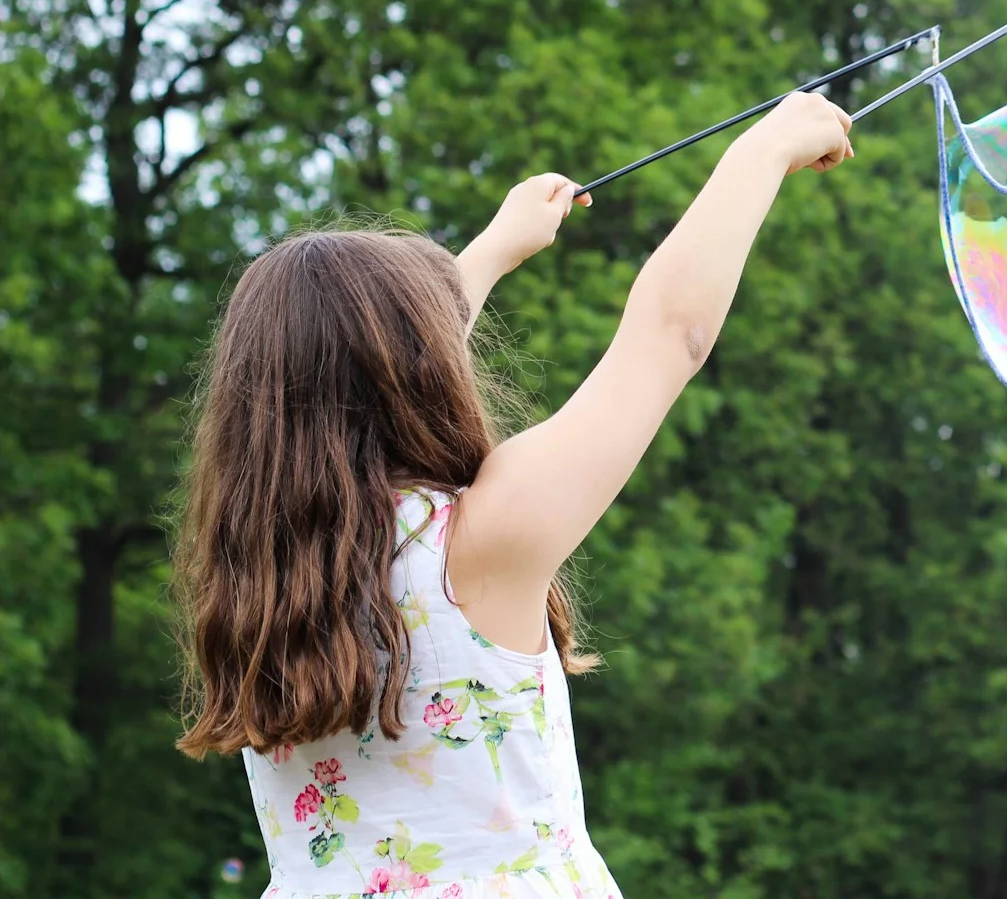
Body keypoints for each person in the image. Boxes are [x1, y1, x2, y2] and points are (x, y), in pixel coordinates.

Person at [172, 93, 856, 899]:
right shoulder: (479, 542)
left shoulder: (262, 580)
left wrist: (493, 250)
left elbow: (356, 378)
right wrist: (765, 146)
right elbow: (671, 332)